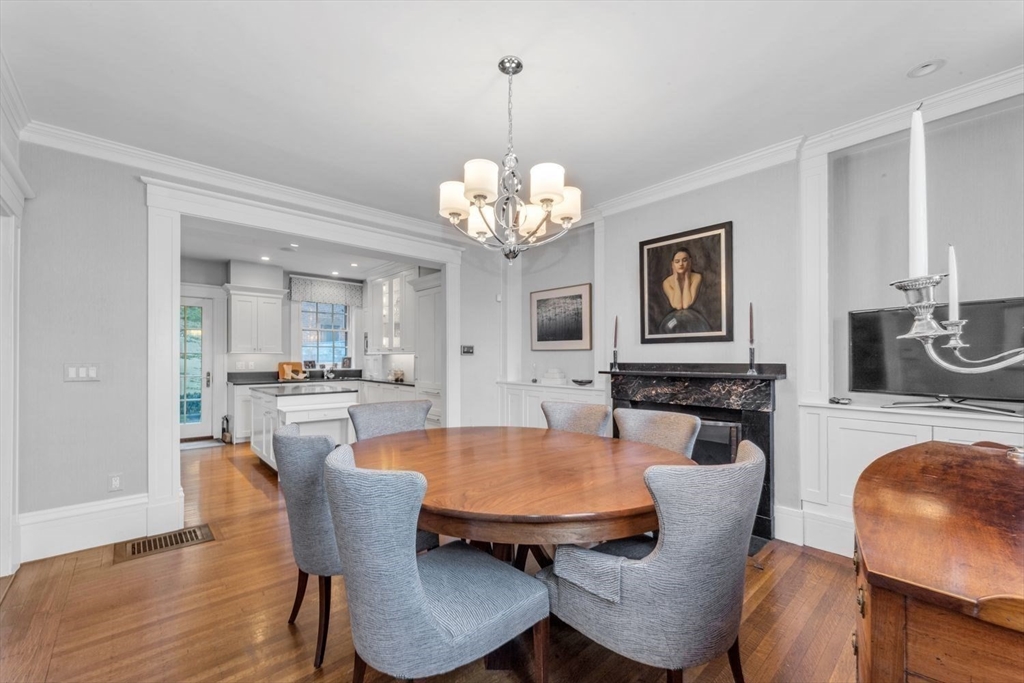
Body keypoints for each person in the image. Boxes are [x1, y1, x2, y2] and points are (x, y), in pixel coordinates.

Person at [658, 247, 711, 334]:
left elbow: (686, 304)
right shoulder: (667, 282)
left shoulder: (697, 277)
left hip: (695, 323)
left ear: (690, 262)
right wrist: (676, 280)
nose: (681, 264)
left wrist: (687, 279)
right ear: (672, 264)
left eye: (684, 260)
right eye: (677, 261)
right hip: (675, 325)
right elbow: (678, 305)